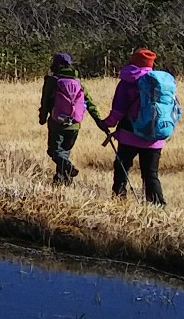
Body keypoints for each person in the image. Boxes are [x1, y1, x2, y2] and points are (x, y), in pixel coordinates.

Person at [97, 47, 176, 205]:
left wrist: (106, 124)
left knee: (122, 169)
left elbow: (118, 111)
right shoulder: (161, 83)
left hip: (129, 135)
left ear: (133, 61)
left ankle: (119, 201)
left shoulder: (127, 82)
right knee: (150, 174)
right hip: (155, 136)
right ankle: (158, 206)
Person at [37, 52, 96, 184]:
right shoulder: (77, 82)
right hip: (74, 124)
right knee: (64, 152)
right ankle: (62, 181)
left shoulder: (52, 81)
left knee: (54, 151)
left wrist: (42, 117)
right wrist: (99, 122)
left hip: (57, 122)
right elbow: (90, 103)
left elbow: (45, 102)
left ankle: (68, 168)